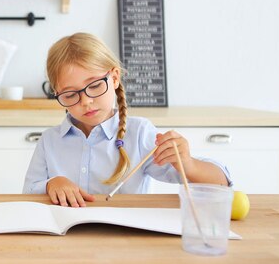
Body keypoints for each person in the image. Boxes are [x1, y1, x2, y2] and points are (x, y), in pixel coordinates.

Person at [23, 32, 231, 207]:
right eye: (70, 94)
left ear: (114, 78)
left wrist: (188, 164)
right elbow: (28, 194)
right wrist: (52, 183)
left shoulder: (139, 133)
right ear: (57, 94)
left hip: (126, 242)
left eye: (94, 86)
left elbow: (221, 183)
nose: (85, 101)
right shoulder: (49, 141)